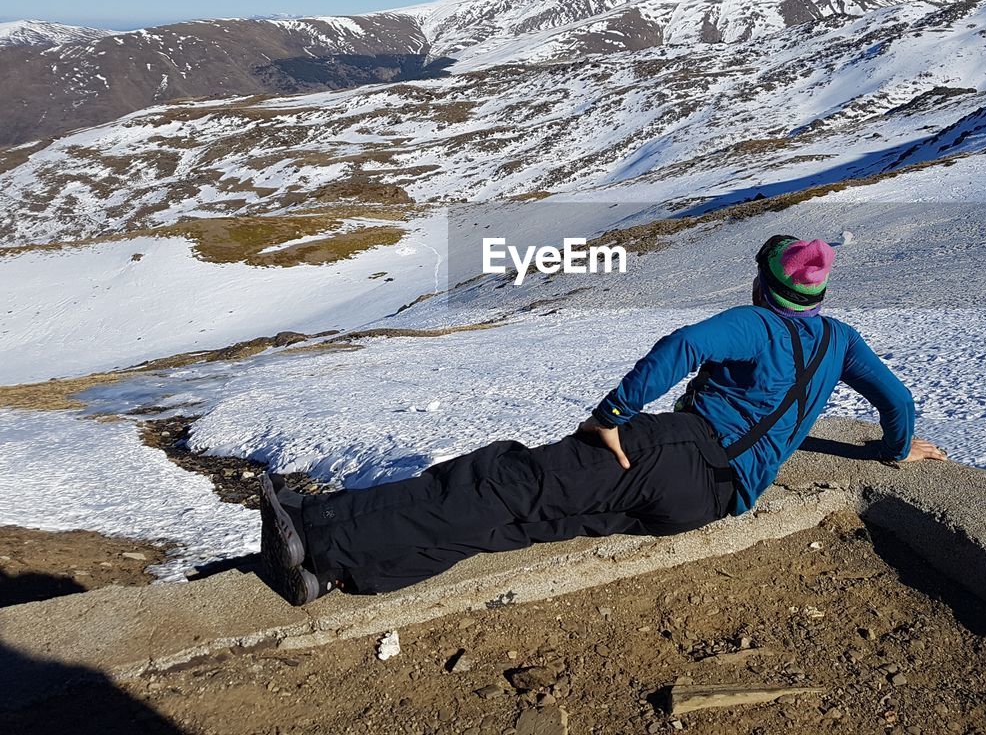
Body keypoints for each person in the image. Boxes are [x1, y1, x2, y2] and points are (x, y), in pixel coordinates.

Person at [259, 234, 947, 605]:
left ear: (766, 285)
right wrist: (896, 450)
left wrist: (613, 413)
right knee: (525, 524)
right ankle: (342, 574)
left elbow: (684, 347)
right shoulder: (842, 341)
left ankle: (315, 530)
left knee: (503, 481)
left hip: (674, 449)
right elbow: (898, 403)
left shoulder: (754, 323)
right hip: (713, 500)